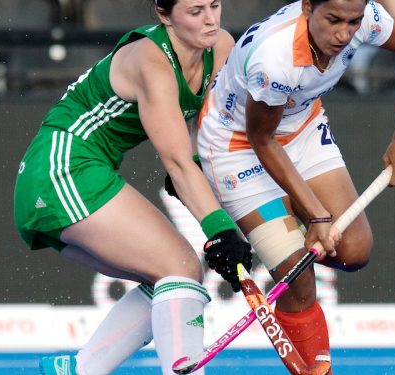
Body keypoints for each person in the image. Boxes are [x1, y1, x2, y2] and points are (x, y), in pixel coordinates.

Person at [13, 1, 253, 374]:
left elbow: (212, 140)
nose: (210, 19)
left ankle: (79, 369)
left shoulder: (221, 46)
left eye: (215, 5)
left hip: (84, 169)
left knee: (178, 272)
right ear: (163, 14)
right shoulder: (149, 60)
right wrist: (220, 232)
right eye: (195, 11)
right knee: (179, 265)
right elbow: (176, 162)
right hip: (62, 168)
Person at [195, 0, 395, 371]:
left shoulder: (366, 19)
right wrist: (317, 216)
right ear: (308, 7)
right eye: (333, 20)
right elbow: (262, 140)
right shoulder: (274, 57)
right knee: (298, 278)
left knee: (354, 252)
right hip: (237, 145)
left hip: (301, 126)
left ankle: (283, 224)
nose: (343, 34)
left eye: (353, 22)